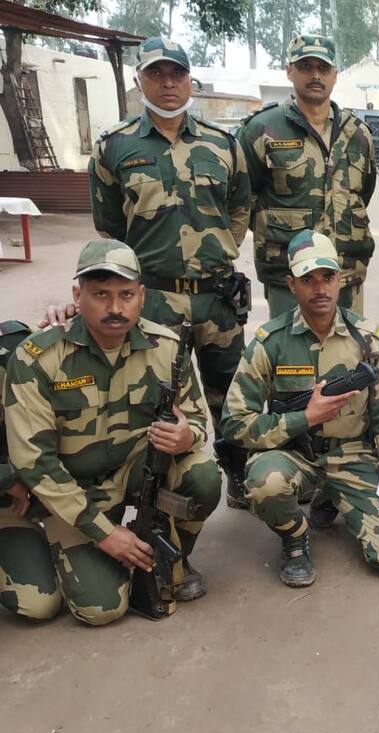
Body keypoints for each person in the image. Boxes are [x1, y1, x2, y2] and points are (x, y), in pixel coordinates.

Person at [2, 240, 221, 625]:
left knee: (202, 476)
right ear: (77, 295)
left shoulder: (166, 348)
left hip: (132, 475)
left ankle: (172, 557)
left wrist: (188, 437)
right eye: (101, 294)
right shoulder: (39, 359)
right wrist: (105, 534)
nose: (115, 308)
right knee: (98, 609)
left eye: (126, 295)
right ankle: (43, 545)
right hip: (69, 493)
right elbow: (35, 463)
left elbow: (196, 419)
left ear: (142, 297)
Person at [87, 37, 252, 508]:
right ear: (138, 79)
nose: (167, 83)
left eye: (177, 73)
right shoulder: (114, 146)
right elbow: (110, 227)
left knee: (229, 392)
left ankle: (237, 474)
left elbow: (240, 207)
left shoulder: (223, 143)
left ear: (189, 80)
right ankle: (162, 485)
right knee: (158, 395)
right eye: (156, 74)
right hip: (154, 298)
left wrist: (218, 252)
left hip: (217, 297)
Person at [222, 230, 379, 587]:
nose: (320, 288)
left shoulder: (369, 338)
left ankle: (331, 496)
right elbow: (234, 423)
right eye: (308, 279)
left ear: (341, 280)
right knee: (264, 484)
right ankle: (295, 536)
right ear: (291, 284)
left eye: (328, 277)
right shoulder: (270, 342)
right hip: (293, 454)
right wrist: (305, 418)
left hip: (352, 457)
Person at [239, 33, 376, 319]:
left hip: (345, 273)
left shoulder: (357, 134)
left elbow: (363, 192)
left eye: (323, 68)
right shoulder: (261, 129)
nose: (315, 75)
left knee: (347, 347)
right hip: (289, 277)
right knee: (289, 347)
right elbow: (243, 200)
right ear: (289, 71)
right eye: (305, 66)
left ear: (335, 75)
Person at [0, 319, 60, 621]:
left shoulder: (14, 346)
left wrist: (76, 315)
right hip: (9, 487)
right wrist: (6, 478)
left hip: (10, 505)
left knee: (40, 602)